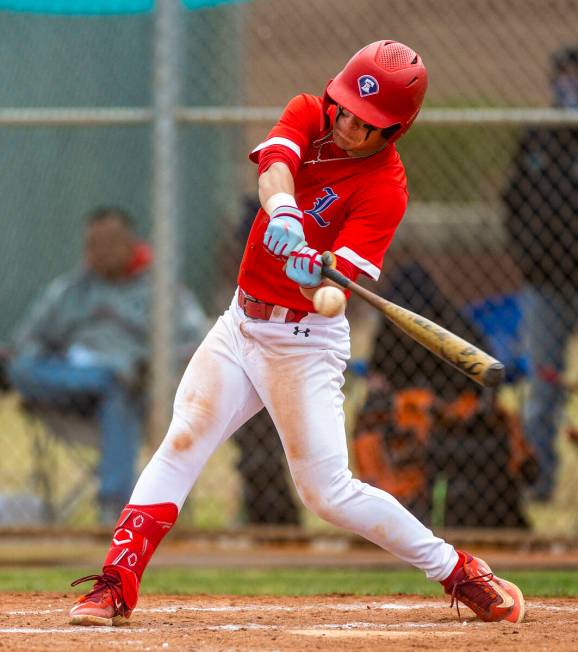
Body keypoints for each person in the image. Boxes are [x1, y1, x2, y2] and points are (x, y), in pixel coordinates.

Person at [68, 41, 524, 626]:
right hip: (241, 324)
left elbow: (334, 293)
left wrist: (314, 274)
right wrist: (283, 210)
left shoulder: (386, 187)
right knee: (182, 442)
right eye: (346, 111)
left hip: (303, 343)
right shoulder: (309, 111)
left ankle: (459, 571)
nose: (349, 127)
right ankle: (115, 583)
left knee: (326, 493)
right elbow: (276, 166)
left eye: (368, 125)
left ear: (395, 132)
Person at [8, 206, 207, 523]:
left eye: (110, 242)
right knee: (21, 366)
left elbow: (197, 342)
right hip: (67, 387)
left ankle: (113, 509)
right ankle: (109, 378)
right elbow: (27, 341)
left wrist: (152, 364)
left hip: (134, 395)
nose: (100, 252)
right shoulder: (71, 291)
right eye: (93, 244)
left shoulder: (162, 290)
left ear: (131, 243)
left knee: (119, 395)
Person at [354, 262, 532, 527]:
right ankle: (390, 507)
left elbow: (482, 381)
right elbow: (379, 376)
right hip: (418, 420)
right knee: (385, 414)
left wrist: (431, 402)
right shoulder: (393, 328)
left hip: (456, 417)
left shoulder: (453, 327)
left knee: (410, 410)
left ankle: (397, 511)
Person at [503, 46, 578, 501]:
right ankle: (538, 489)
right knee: (542, 389)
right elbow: (512, 203)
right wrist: (528, 255)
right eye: (563, 75)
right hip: (545, 283)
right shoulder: (539, 136)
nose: (568, 85)